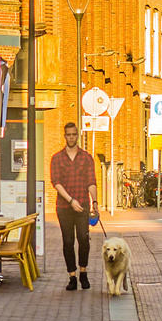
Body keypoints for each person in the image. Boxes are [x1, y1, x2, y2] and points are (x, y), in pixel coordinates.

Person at [49, 122, 98, 291]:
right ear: (65, 136)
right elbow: (56, 182)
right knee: (68, 241)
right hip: (64, 207)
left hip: (83, 206)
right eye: (68, 135)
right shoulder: (57, 158)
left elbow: (91, 181)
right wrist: (71, 201)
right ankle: (72, 276)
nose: (71, 137)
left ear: (78, 136)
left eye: (74, 135)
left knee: (83, 239)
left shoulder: (86, 157)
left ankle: (83, 272)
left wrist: (95, 203)